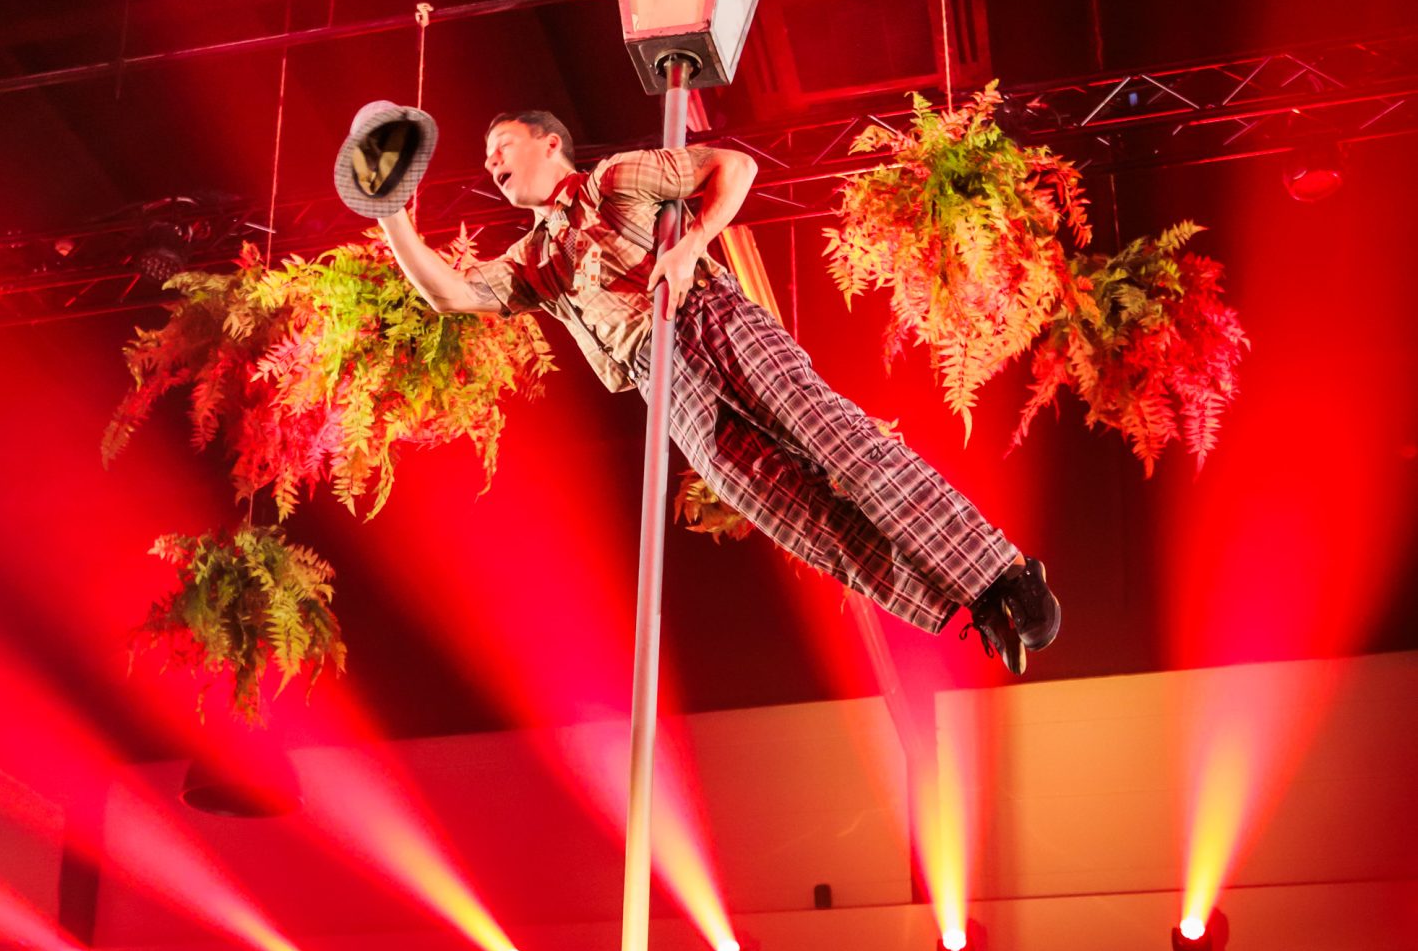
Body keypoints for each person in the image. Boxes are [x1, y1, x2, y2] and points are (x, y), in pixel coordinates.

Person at [376, 111, 1060, 676]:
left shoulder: (613, 179)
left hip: (708, 318)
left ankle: (1004, 574)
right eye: (487, 157)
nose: (491, 163)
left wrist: (689, 245)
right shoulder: (535, 260)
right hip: (661, 378)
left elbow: (733, 168)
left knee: (840, 446)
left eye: (501, 145)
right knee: (794, 515)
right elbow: (450, 293)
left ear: (549, 143)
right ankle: (968, 596)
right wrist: (389, 215)